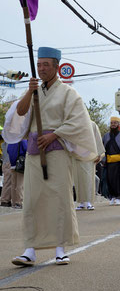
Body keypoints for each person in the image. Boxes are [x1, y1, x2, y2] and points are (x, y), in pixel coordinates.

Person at [3, 46, 98, 266]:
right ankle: (30, 249)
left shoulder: (68, 93)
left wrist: (55, 134)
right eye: (39, 64)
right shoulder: (34, 90)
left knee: (60, 200)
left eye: (46, 64)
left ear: (57, 66)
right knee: (33, 200)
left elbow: (78, 121)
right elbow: (20, 112)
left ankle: (60, 249)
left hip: (57, 152)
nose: (42, 68)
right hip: (35, 152)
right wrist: (29, 91)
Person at [74, 120, 105, 211]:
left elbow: (97, 139)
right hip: (76, 154)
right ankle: (80, 202)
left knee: (88, 178)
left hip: (89, 154)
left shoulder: (92, 124)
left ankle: (88, 201)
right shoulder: (74, 124)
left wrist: (98, 154)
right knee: (78, 178)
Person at [102, 117, 120, 206]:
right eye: (112, 123)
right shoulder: (106, 136)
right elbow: (102, 149)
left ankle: (119, 197)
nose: (113, 124)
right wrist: (103, 160)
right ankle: (112, 196)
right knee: (110, 179)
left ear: (119, 124)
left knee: (119, 179)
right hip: (109, 161)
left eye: (115, 123)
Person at [7, 140, 27, 209]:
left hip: (12, 164)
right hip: (20, 164)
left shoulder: (11, 141)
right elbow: (26, 148)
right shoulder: (22, 139)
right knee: (20, 184)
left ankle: (14, 202)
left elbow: (8, 151)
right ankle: (19, 202)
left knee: (13, 184)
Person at [0, 140, 12, 207]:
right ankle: (4, 200)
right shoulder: (8, 140)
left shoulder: (5, 141)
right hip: (8, 162)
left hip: (6, 162)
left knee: (7, 182)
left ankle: (6, 199)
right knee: (7, 182)